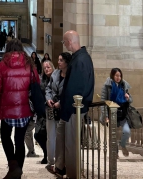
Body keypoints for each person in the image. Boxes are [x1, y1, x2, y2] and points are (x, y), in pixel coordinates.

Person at [0, 39, 39, 179]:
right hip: (24, 109)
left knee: (5, 136)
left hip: (7, 108)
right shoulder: (30, 65)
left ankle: (13, 165)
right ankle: (18, 171)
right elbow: (36, 83)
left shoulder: (2, 65)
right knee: (19, 140)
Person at [52, 30, 94, 178]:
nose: (64, 45)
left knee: (71, 144)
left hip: (73, 109)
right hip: (69, 108)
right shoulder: (79, 58)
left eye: (64, 42)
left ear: (70, 42)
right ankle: (60, 167)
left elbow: (76, 89)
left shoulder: (81, 60)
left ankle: (73, 173)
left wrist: (66, 108)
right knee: (61, 137)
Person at [45, 52, 71, 173]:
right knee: (51, 136)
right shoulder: (55, 73)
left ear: (66, 62)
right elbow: (48, 88)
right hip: (51, 108)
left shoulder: (71, 76)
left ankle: (61, 163)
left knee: (62, 137)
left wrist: (60, 102)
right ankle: (51, 162)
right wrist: (48, 99)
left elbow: (69, 93)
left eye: (61, 60)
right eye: (58, 60)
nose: (58, 62)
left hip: (64, 109)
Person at [100, 68, 132, 157]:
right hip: (112, 114)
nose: (118, 77)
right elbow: (103, 101)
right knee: (113, 135)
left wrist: (127, 97)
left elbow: (131, 100)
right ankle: (115, 153)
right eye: (117, 75)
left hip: (123, 113)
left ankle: (122, 144)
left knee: (127, 131)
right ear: (112, 75)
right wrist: (106, 115)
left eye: (120, 76)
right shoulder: (107, 85)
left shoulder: (124, 85)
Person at [33, 60, 55, 164]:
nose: (46, 69)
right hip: (42, 111)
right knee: (37, 134)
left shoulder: (56, 78)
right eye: (45, 68)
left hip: (53, 109)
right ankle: (46, 153)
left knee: (50, 135)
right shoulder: (41, 79)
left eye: (48, 67)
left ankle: (50, 156)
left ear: (52, 67)